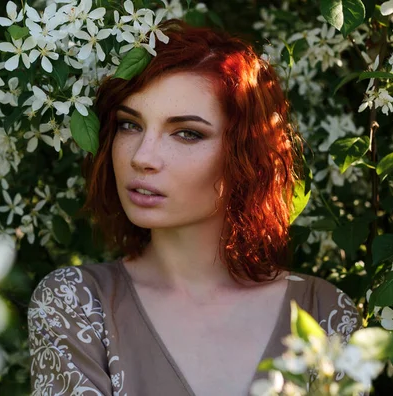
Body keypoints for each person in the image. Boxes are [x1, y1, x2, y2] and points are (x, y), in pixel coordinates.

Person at [27, 19, 361, 396]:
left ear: (245, 156)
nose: (143, 157)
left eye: (187, 133)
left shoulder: (324, 313)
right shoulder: (75, 303)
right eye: (129, 125)